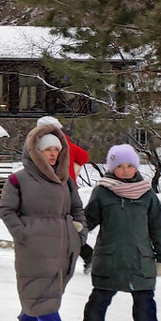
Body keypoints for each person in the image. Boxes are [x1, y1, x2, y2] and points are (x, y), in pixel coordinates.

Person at [0, 122, 87, 321]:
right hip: (34, 246)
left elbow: (77, 208)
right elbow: (7, 210)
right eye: (47, 149)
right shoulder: (19, 179)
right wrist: (23, 234)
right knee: (43, 289)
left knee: (48, 289)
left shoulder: (64, 180)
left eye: (56, 150)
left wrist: (79, 233)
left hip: (63, 244)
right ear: (35, 151)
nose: (52, 154)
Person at [80, 144, 161, 321]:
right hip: (110, 258)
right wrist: (74, 235)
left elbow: (158, 229)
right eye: (120, 165)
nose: (125, 170)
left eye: (130, 165)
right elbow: (88, 221)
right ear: (112, 167)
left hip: (141, 260)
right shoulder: (103, 192)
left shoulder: (146, 193)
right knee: (100, 297)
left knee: (145, 303)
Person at [38, 116, 94, 271]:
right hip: (68, 189)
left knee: (63, 226)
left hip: (59, 189)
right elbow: (84, 156)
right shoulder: (67, 144)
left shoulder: (39, 146)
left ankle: (85, 255)